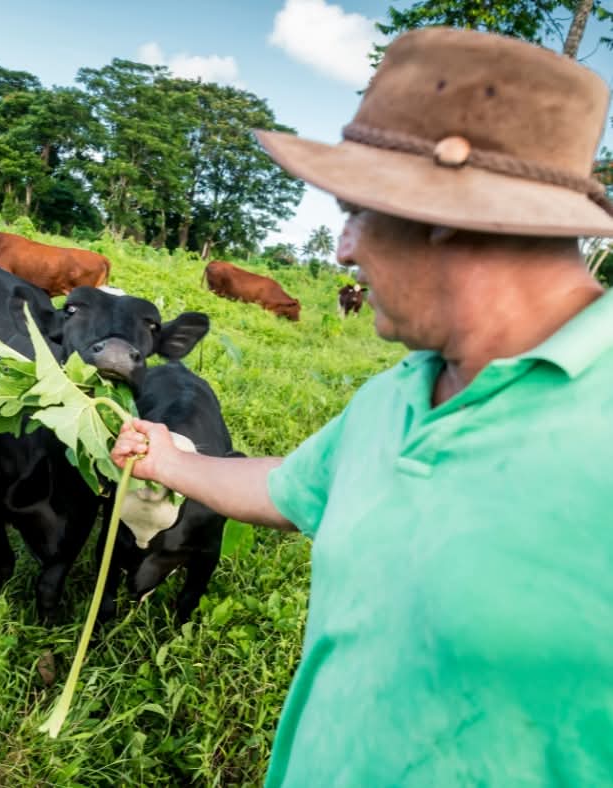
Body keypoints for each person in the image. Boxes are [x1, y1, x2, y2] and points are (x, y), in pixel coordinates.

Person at [111, 27, 613, 787]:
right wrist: (170, 460)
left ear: (444, 216)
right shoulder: (397, 392)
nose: (342, 251)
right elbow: (292, 488)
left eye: (356, 213)